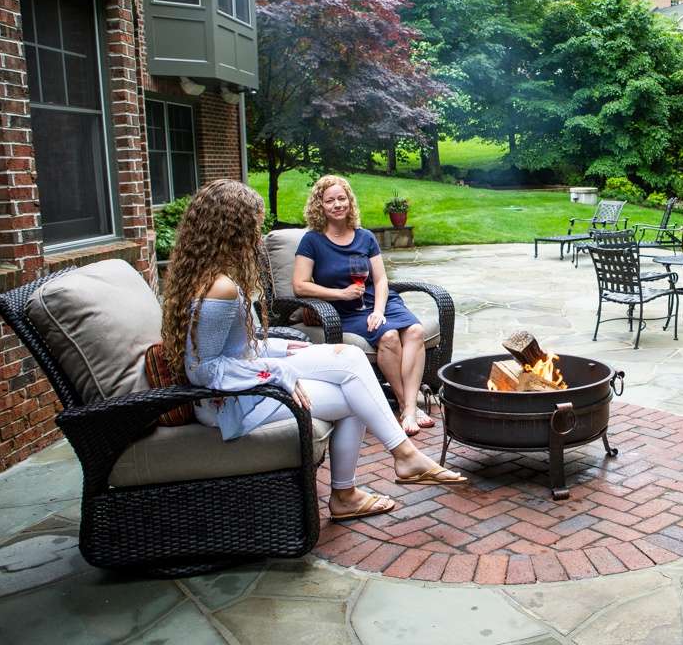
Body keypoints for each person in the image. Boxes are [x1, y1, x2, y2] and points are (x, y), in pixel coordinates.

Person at [160, 179, 465, 523]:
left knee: (350, 361)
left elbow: (236, 348)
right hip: (231, 404)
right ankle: (359, 486)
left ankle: (392, 463)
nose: (258, 237)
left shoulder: (214, 276)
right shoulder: (219, 287)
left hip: (248, 379)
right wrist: (277, 371)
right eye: (254, 227)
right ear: (233, 229)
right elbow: (203, 369)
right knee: (354, 397)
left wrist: (278, 346)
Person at [292, 175, 432, 436]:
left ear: (350, 201)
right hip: (344, 309)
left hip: (379, 302)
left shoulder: (365, 237)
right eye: (330, 200)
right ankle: (404, 404)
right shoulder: (312, 241)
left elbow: (380, 280)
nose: (337, 205)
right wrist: (340, 294)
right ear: (319, 206)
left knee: (415, 332)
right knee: (389, 337)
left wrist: (379, 311)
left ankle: (410, 408)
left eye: (341, 198)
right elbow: (299, 285)